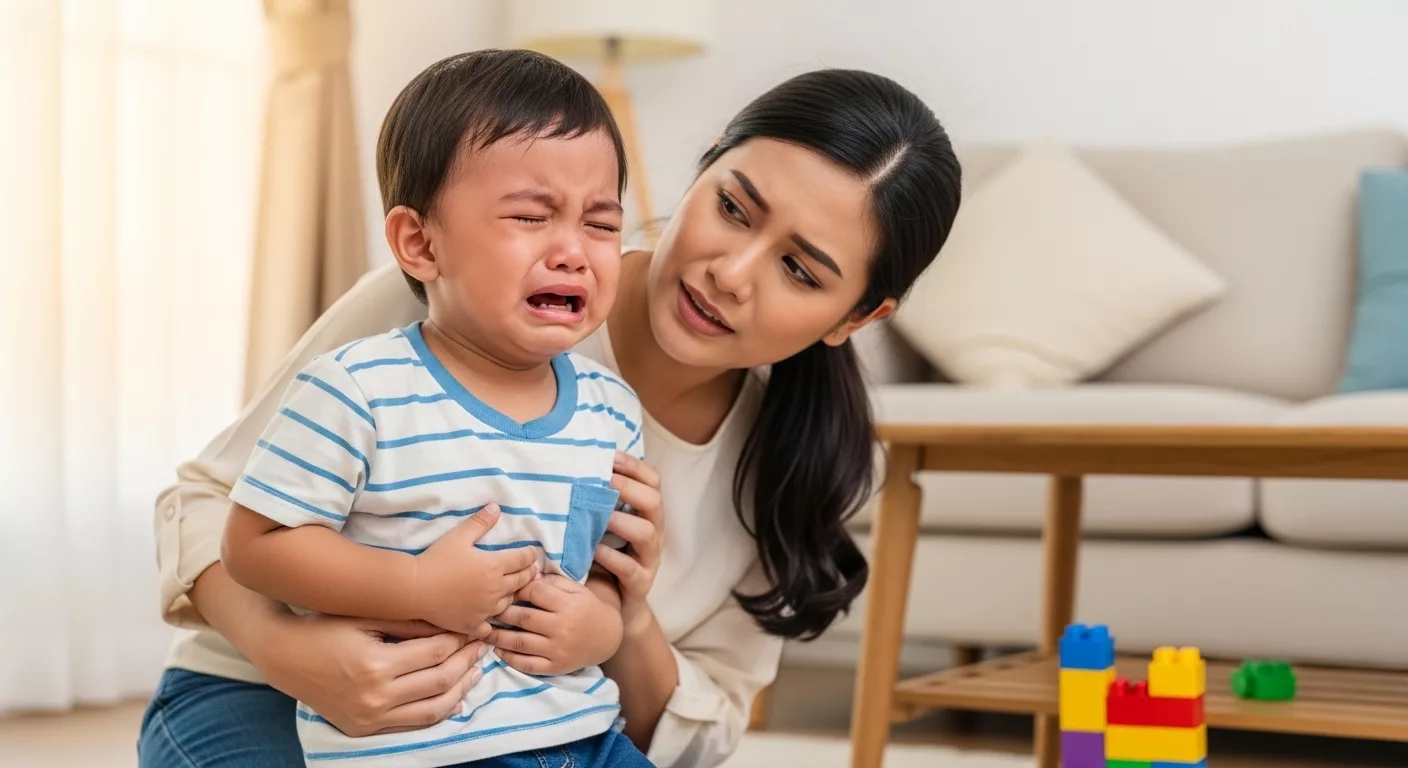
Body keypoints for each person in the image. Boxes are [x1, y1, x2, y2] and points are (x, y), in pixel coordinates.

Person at [140, 59, 963, 768]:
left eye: (801, 271)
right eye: (733, 209)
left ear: (857, 317)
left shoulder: (792, 462)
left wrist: (624, 622)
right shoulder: (455, 300)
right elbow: (204, 501)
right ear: (704, 166)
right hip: (260, 690)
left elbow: (697, 734)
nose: (731, 272)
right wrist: (289, 652)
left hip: (528, 734)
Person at [215, 49, 651, 767]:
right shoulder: (358, 388)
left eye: (602, 225)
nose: (574, 251)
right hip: (419, 745)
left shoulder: (614, 410)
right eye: (530, 216)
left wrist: (599, 625)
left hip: (586, 737)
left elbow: (597, 569)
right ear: (419, 244)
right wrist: (415, 585)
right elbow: (254, 545)